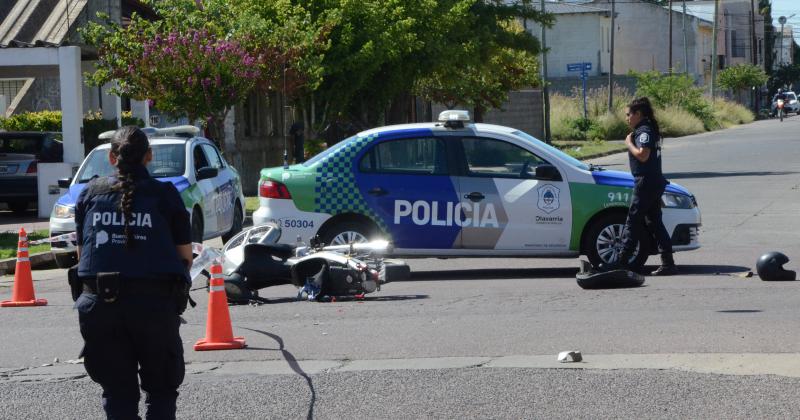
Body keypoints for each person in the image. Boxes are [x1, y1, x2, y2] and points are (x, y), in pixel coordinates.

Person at [72, 126, 193, 419]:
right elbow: (185, 257)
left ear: (112, 157)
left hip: (101, 305)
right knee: (161, 390)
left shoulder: (90, 193)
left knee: (117, 393)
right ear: (149, 156)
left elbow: (81, 256)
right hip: (154, 307)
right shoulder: (165, 195)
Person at [615, 97, 676, 276]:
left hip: (646, 183)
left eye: (629, 115)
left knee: (632, 221)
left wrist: (628, 144)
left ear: (638, 114)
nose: (627, 119)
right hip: (652, 182)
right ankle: (668, 263)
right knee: (654, 222)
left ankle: (621, 261)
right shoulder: (647, 129)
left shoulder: (644, 131)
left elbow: (643, 155)